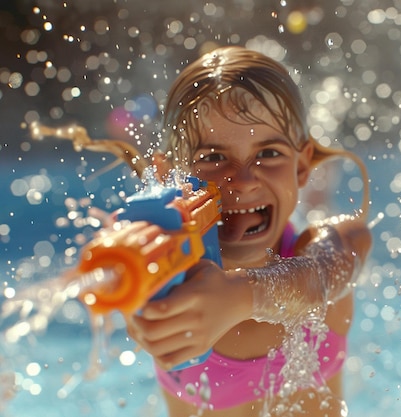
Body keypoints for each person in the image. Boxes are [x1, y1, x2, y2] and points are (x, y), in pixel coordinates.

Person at [119, 46, 371, 417]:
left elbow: (330, 267)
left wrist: (240, 296)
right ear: (165, 176)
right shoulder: (166, 278)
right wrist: (141, 317)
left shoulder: (325, 245)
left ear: (302, 168)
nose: (244, 179)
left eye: (268, 154)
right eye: (213, 158)